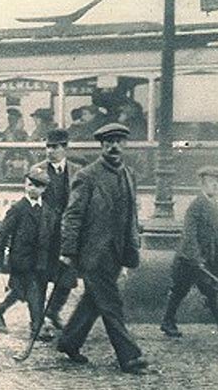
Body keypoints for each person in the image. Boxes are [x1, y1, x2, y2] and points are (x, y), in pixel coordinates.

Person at [55, 123, 149, 374]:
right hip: (93, 253)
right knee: (111, 304)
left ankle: (68, 342)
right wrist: (68, 251)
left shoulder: (129, 174)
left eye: (119, 141)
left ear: (125, 144)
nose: (114, 146)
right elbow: (72, 216)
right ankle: (129, 357)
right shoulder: (87, 176)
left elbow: (132, 215)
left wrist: (132, 247)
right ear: (102, 145)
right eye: (109, 142)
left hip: (117, 252)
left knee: (93, 302)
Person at [30, 129, 81, 331]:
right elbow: (31, 202)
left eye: (55, 147)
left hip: (67, 233)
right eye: (48, 146)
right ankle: (36, 321)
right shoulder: (37, 171)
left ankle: (53, 310)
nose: (50, 151)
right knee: (40, 277)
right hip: (44, 233)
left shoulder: (77, 171)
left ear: (65, 148)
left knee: (68, 277)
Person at [0, 168, 51, 338]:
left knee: (20, 291)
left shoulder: (46, 209)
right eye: (30, 185)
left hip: (39, 260)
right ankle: (37, 328)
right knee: (33, 292)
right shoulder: (18, 208)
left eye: (38, 186)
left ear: (44, 189)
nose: (33, 189)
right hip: (21, 259)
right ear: (25, 185)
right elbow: (2, 233)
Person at [160, 166, 218, 337]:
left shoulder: (214, 205)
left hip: (206, 260)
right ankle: (167, 322)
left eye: (217, 182)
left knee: (208, 291)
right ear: (202, 184)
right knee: (182, 291)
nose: (215, 185)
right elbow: (189, 235)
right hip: (189, 261)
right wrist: (196, 259)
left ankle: (167, 322)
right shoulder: (196, 205)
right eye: (211, 182)